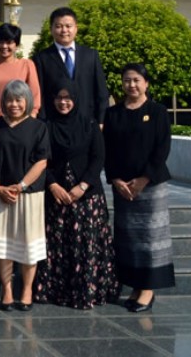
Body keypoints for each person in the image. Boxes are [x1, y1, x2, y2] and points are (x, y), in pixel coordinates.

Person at [35, 80, 120, 309]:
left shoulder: (90, 124)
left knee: (86, 245)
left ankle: (88, 292)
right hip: (58, 196)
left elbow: (98, 157)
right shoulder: (46, 126)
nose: (63, 102)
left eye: (68, 98)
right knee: (59, 246)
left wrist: (82, 186)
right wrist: (53, 185)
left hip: (87, 196)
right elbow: (42, 160)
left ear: (75, 99)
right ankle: (57, 292)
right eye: (59, 98)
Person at [103, 63, 175, 312]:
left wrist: (144, 179)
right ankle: (134, 286)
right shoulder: (113, 114)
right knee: (128, 238)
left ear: (146, 83)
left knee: (150, 238)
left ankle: (147, 289)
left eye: (136, 80)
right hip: (123, 187)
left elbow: (162, 148)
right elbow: (107, 150)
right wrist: (115, 179)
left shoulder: (158, 111)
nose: (131, 85)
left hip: (150, 186)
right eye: (126, 80)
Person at [0, 80, 50, 312]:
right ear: (3, 102)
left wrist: (20, 186)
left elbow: (42, 161)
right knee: (3, 246)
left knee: (28, 245)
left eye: (19, 99)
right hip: (1, 194)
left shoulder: (38, 127)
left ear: (27, 102)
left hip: (29, 194)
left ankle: (27, 290)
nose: (14, 104)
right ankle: (8, 290)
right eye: (10, 100)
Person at [33, 7, 110, 123]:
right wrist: (43, 123)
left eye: (68, 26)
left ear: (76, 28)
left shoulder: (91, 55)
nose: (64, 30)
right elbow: (40, 95)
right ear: (51, 29)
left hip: (87, 122)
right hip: (55, 124)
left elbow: (101, 92)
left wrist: (101, 120)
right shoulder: (41, 58)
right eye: (58, 26)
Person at [0, 24, 41, 121]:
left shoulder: (27, 65)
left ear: (16, 45)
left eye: (9, 42)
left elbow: (34, 94)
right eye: (0, 42)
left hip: (22, 122)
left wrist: (31, 117)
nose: (4, 46)